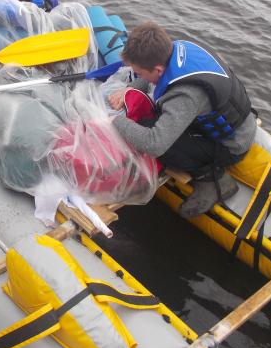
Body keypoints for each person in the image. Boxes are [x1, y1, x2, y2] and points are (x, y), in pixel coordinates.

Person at [109, 22, 257, 218]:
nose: (139, 76)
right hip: (231, 121)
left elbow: (154, 144)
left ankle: (212, 179)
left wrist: (114, 121)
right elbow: (151, 72)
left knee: (147, 128)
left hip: (230, 145)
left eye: (140, 73)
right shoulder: (177, 49)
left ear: (158, 70)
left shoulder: (185, 95)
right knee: (156, 118)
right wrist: (132, 88)